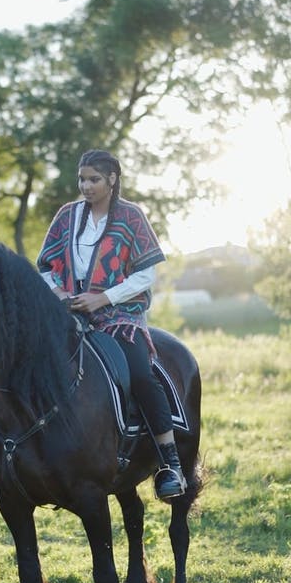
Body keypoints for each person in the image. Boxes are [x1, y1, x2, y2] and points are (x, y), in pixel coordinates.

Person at [36, 148, 187, 502]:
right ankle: (7, 454)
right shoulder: (67, 217)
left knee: (139, 374)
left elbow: (146, 273)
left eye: (94, 179)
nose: (86, 186)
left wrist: (103, 298)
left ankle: (170, 462)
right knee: (27, 362)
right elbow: (44, 265)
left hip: (120, 317)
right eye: (82, 179)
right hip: (70, 315)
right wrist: (59, 293)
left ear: (112, 180)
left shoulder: (131, 216)